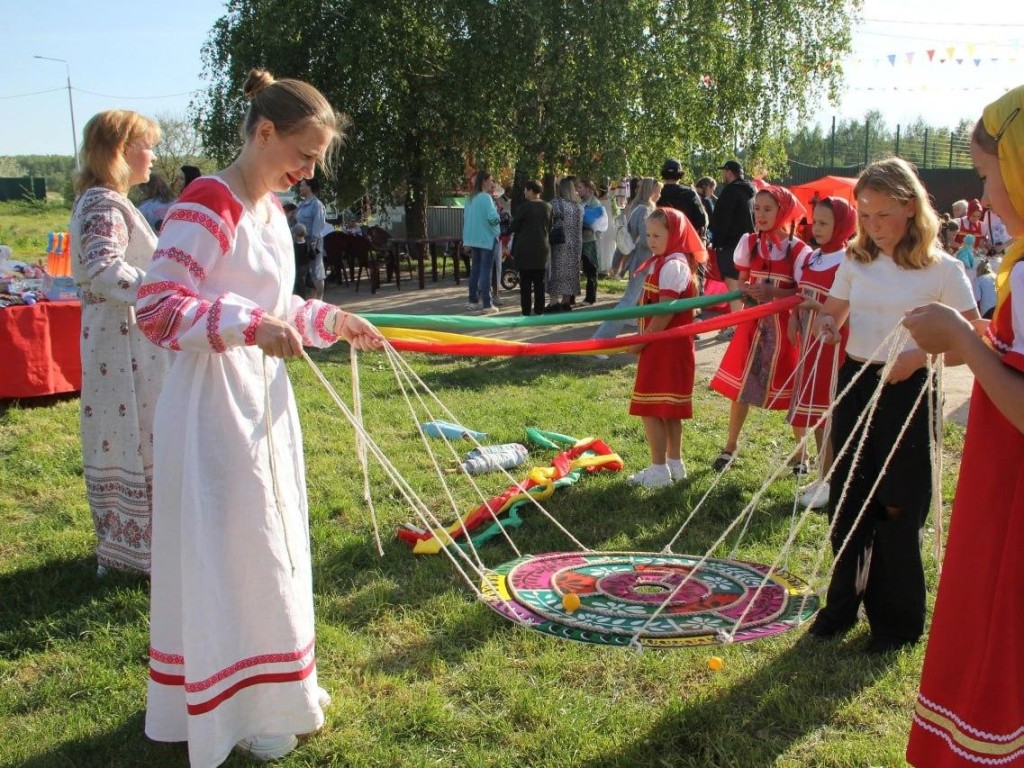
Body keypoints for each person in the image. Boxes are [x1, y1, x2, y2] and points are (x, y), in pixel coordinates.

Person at [136, 68, 384, 767]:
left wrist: (330, 318)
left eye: (315, 162)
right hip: (212, 400)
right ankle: (235, 710)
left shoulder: (270, 211)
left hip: (259, 396)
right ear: (264, 132)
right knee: (230, 545)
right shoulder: (208, 201)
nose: (307, 173)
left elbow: (278, 307)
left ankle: (279, 687)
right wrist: (246, 326)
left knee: (269, 538)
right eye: (302, 156)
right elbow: (156, 308)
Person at [807, 156, 978, 655]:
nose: (874, 226)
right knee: (847, 497)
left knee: (899, 503)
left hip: (909, 390)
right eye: (865, 215)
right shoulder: (855, 259)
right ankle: (840, 607)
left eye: (883, 215)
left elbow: (973, 338)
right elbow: (835, 313)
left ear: (910, 208)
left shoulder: (943, 270)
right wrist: (824, 324)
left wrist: (919, 354)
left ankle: (897, 623)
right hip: (857, 382)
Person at [903, 85, 1024, 766]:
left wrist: (967, 344)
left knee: (997, 640)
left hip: (1012, 498)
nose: (985, 194)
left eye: (987, 173)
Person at [69, 109, 174, 577]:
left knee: (144, 435)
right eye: (146, 145)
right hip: (121, 346)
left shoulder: (110, 202)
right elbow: (103, 267)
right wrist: (164, 295)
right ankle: (135, 551)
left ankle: (139, 546)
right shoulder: (102, 204)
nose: (152, 155)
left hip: (126, 341)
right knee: (134, 434)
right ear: (121, 150)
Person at [710, 185, 812, 472]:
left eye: (768, 209)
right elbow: (742, 279)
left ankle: (801, 453)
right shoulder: (750, 242)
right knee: (742, 387)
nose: (760, 215)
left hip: (785, 328)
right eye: (757, 209)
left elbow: (803, 291)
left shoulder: (798, 250)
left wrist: (773, 294)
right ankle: (730, 445)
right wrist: (746, 292)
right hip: (754, 325)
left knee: (794, 388)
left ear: (784, 211)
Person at [626, 207, 706, 487]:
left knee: (651, 408)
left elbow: (664, 314)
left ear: (675, 235)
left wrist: (641, 342)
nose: (651, 240)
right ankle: (674, 463)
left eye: (657, 234)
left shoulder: (673, 265)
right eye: (648, 234)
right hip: (669, 346)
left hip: (664, 348)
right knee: (667, 409)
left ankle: (659, 470)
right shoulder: (666, 261)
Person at [787, 197, 858, 509]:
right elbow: (800, 293)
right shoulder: (812, 257)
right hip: (810, 342)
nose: (816, 228)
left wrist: (814, 308)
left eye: (825, 223)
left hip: (832, 343)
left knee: (828, 411)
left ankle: (831, 479)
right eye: (815, 222)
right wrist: (794, 318)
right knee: (815, 412)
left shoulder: (847, 260)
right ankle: (823, 474)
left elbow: (844, 308)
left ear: (841, 225)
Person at [591, 177, 662, 347]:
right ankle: (600, 341)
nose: (660, 193)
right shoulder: (644, 211)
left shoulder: (638, 208)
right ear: (650, 191)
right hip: (643, 261)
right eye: (658, 190)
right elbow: (647, 241)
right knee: (629, 301)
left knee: (637, 299)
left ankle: (639, 334)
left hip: (640, 260)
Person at [709, 160, 756, 326]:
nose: (724, 175)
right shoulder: (751, 191)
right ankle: (740, 323)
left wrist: (717, 241)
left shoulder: (730, 191)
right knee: (741, 284)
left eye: (725, 172)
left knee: (733, 284)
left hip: (730, 245)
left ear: (729, 172)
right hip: (748, 244)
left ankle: (737, 325)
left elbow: (721, 219)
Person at [509, 179, 552, 316]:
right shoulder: (548, 207)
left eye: (526, 189)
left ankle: (526, 311)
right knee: (540, 282)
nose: (524, 192)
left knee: (525, 282)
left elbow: (514, 226)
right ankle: (539, 310)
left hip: (525, 247)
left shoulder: (524, 207)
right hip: (542, 247)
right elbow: (550, 226)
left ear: (532, 191)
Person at [462, 170, 502, 315]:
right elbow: (492, 218)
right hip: (487, 238)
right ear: (484, 181)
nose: (492, 183)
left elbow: (466, 219)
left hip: (473, 238)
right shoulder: (486, 198)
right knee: (486, 271)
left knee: (475, 270)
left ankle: (473, 301)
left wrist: (465, 240)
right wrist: (500, 218)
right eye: (490, 180)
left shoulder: (470, 199)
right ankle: (487, 304)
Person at [547, 177, 584, 312]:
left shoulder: (556, 203)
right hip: (575, 244)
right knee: (571, 272)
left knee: (556, 271)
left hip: (560, 242)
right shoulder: (579, 206)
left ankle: (554, 301)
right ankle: (566, 301)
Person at [656, 158, 708, 238]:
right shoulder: (689, 193)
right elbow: (702, 219)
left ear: (663, 174)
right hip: (683, 238)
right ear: (680, 175)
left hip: (661, 239)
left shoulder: (656, 192)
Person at [575, 177, 605, 305]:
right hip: (580, 239)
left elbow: (596, 222)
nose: (578, 190)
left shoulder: (594, 202)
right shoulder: (582, 201)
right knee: (580, 268)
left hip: (589, 240)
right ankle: (573, 296)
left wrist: (581, 220)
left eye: (580, 188)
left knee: (590, 268)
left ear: (588, 188)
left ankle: (590, 297)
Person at [295, 177, 327, 300]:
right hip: (301, 243)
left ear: (309, 187)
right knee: (303, 273)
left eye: (302, 185)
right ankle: (308, 300)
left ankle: (319, 300)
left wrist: (312, 244)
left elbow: (318, 227)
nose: (300, 188)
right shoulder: (303, 204)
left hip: (312, 244)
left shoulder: (317, 205)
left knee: (316, 272)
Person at [292, 222, 311, 299]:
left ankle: (301, 298)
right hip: (306, 267)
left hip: (298, 267)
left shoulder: (294, 246)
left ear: (295, 234)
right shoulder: (307, 244)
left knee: (299, 286)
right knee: (304, 284)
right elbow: (312, 256)